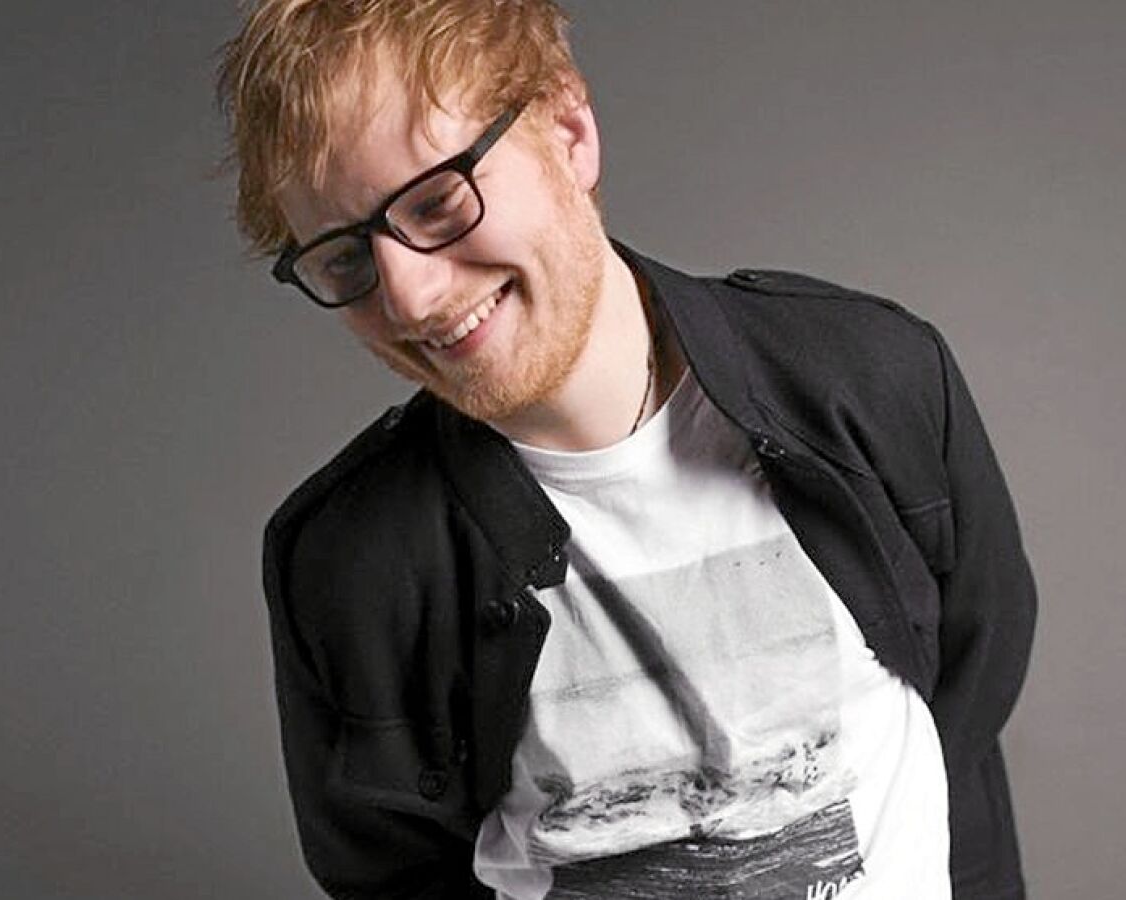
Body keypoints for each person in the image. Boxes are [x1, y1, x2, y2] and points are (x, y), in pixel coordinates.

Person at [216, 2, 1036, 898]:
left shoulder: (869, 377)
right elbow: (392, 875)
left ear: (569, 133)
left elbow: (968, 698)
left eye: (438, 201)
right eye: (345, 259)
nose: (408, 297)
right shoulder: (348, 561)